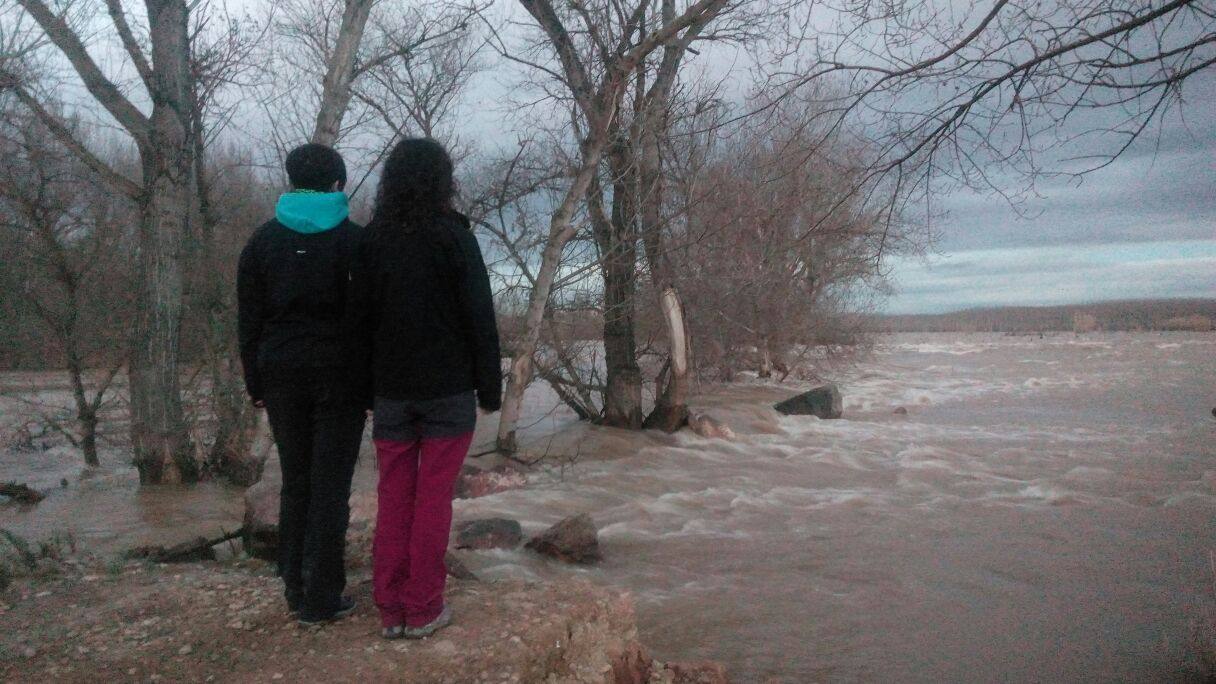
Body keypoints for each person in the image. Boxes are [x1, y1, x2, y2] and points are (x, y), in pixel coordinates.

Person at [349, 138, 501, 640]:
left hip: (391, 392)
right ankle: (423, 608)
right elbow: (479, 316)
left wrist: (364, 389)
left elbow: (359, 322)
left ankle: (391, 609)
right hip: (448, 392)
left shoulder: (371, 241)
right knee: (434, 500)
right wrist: (490, 388)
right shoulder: (454, 236)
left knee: (393, 499)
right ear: (443, 180)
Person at [237, 143, 367, 625]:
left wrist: (256, 381)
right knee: (331, 485)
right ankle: (323, 595)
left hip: (280, 373)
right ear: (338, 185)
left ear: (292, 182)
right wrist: (371, 386)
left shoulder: (262, 241)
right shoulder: (356, 243)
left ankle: (294, 587)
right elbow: (368, 322)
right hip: (341, 376)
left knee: (296, 480)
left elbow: (248, 322)